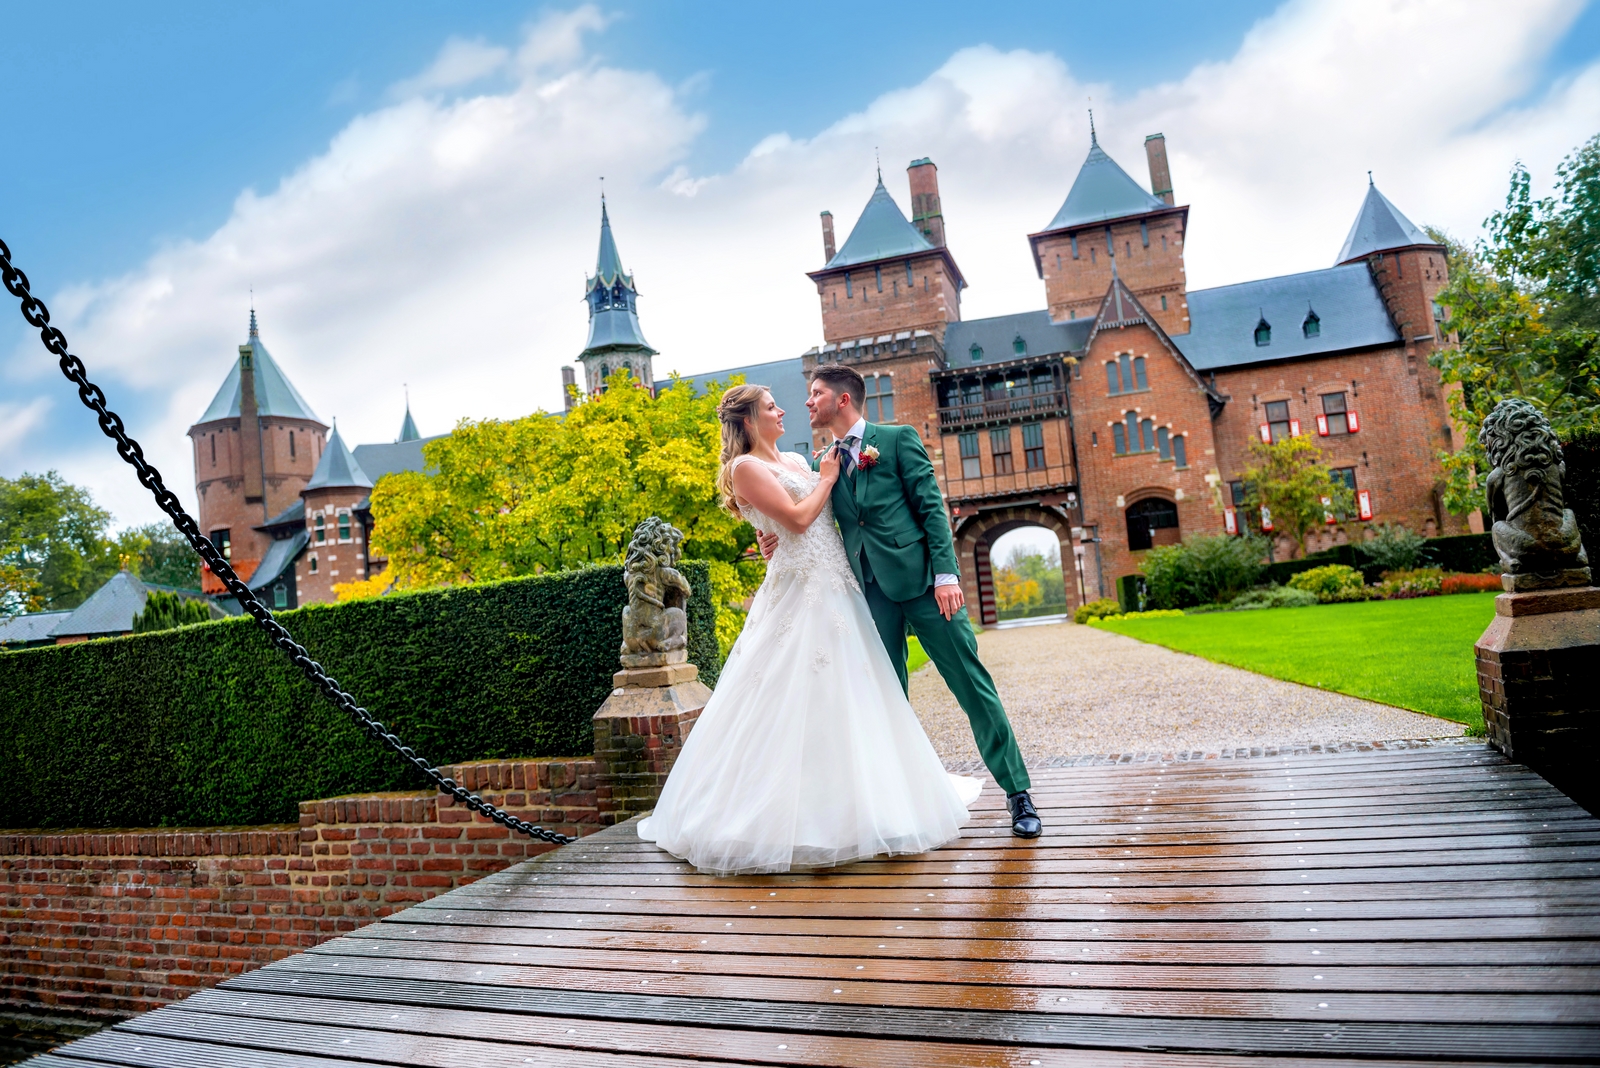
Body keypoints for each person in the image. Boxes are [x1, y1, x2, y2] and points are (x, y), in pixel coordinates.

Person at [637, 384, 983, 875]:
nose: (783, 410)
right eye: (771, 406)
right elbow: (799, 520)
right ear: (750, 420)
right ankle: (784, 817)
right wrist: (826, 480)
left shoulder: (799, 462)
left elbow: (834, 519)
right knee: (793, 696)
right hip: (799, 592)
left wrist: (813, 493)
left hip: (839, 586)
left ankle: (868, 805)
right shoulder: (745, 468)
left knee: (853, 695)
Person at [756, 365, 1042, 839]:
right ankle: (902, 807)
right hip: (867, 597)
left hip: (927, 587)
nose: (807, 402)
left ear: (842, 399)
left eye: (816, 393)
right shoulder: (822, 462)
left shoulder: (895, 440)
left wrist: (946, 576)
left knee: (972, 687)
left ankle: (1019, 794)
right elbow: (806, 517)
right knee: (885, 699)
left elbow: (931, 508)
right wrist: (773, 540)